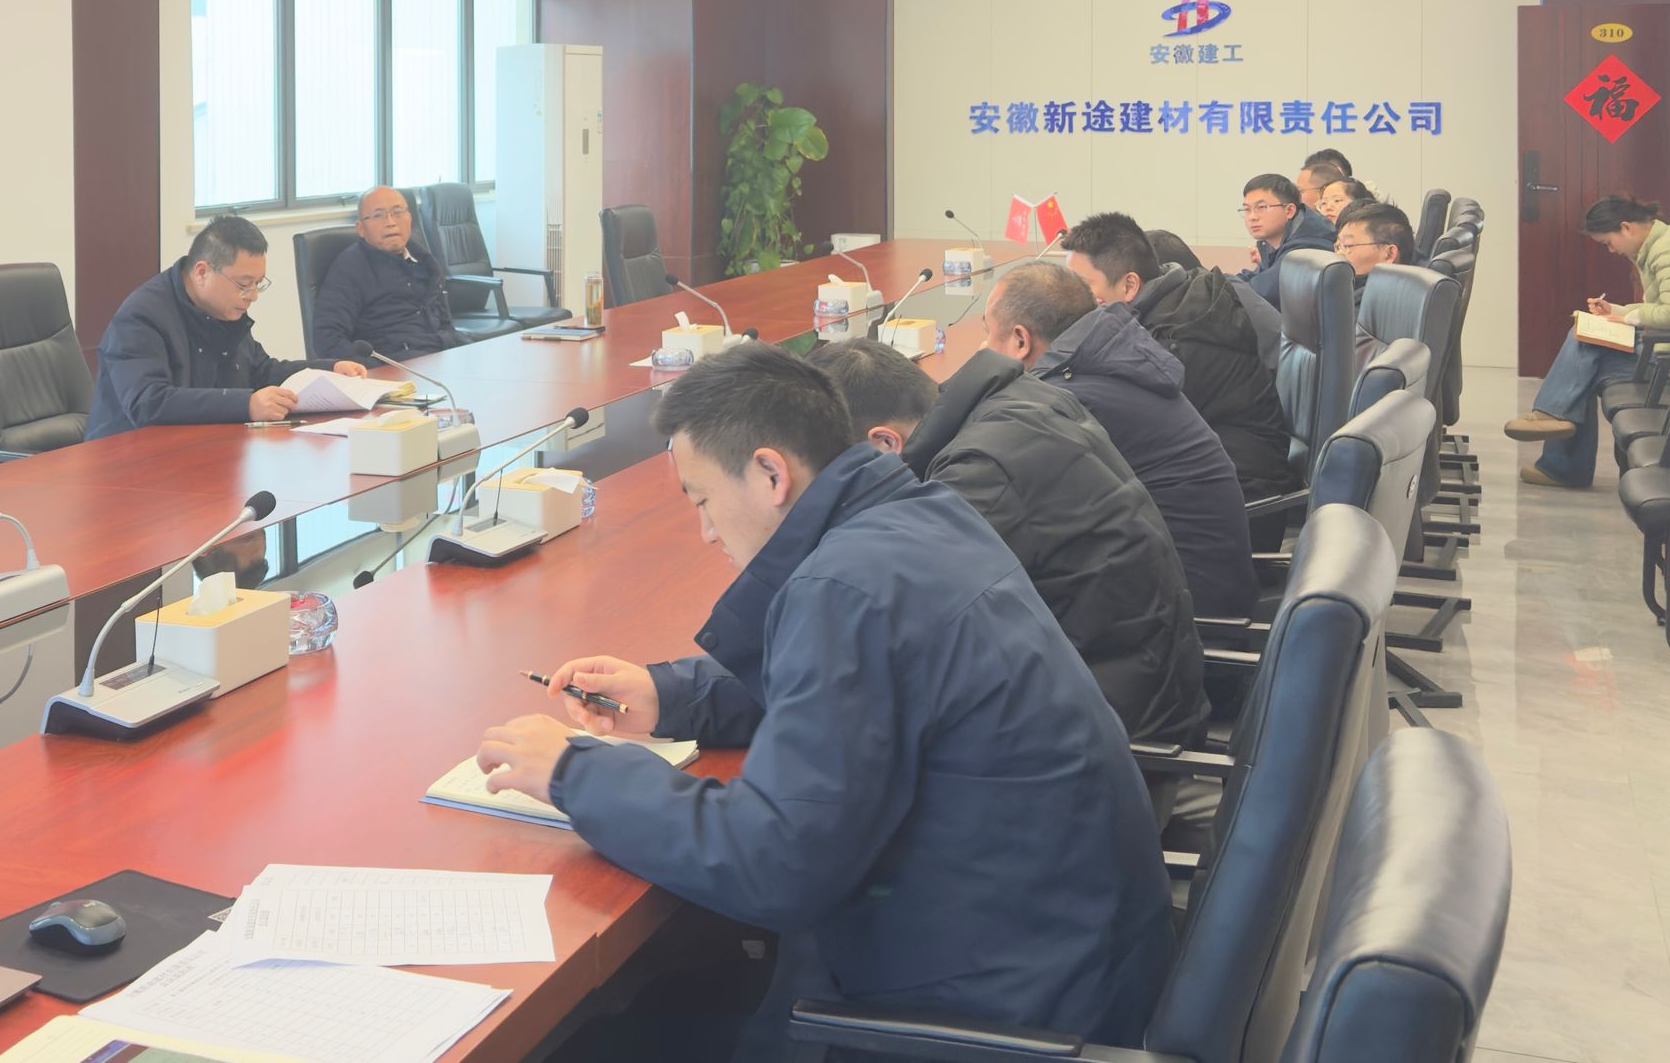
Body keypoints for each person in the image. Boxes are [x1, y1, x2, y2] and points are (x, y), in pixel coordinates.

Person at [474, 346, 1171, 1057]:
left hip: (990, 1016)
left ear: (771, 474)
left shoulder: (845, 588)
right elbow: (860, 689)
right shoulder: (916, 516)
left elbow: (771, 863)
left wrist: (573, 772)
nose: (706, 531)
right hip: (1063, 959)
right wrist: (672, 694)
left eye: (703, 500)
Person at [815, 337, 1211, 752]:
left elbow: (892, 630)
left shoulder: (979, 474)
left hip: (1121, 738)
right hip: (1145, 690)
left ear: (884, 443)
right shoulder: (1017, 401)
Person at [984, 264, 1257, 619]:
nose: (984, 349)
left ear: (1020, 341)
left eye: (988, 335)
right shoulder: (1106, 363)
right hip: (1197, 587)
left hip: (1186, 618)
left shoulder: (1067, 400)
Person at [1062, 212, 1292, 513]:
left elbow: (1123, 429)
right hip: (1210, 480)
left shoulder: (1176, 335)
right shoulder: (1172, 303)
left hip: (1235, 499)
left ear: (1130, 285)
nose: (1073, 298)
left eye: (1082, 286)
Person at [1505, 193, 1670, 488]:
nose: (1611, 250)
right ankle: (1556, 430)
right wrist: (1615, 311)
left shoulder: (1669, 252)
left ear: (1626, 227)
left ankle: (1559, 449)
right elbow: (1660, 308)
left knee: (1583, 358)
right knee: (1584, 343)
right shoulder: (1658, 245)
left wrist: (1627, 318)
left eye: (1608, 242)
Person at [89, 214, 364, 439]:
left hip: (200, 448)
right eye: (243, 284)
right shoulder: (141, 317)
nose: (252, 296)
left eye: (258, 284)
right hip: (126, 460)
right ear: (202, 272)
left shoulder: (222, 307)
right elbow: (148, 402)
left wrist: (328, 370)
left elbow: (260, 371)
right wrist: (246, 404)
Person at [307, 186, 461, 363]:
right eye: (378, 215)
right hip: (395, 364)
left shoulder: (425, 261)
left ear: (410, 218)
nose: (390, 222)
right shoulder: (350, 268)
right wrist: (375, 368)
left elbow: (445, 321)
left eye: (397, 212)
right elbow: (326, 338)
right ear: (361, 228)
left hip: (440, 354)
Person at [1332, 199, 1417, 367]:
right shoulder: (1357, 289)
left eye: (1348, 245)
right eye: (1338, 246)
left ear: (1389, 254)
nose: (1339, 254)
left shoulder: (1373, 305)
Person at [1233, 171, 1335, 307]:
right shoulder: (1272, 242)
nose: (1252, 217)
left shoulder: (1309, 244)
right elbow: (1256, 277)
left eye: (1261, 207)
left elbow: (1263, 291)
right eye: (1247, 209)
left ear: (1289, 211)